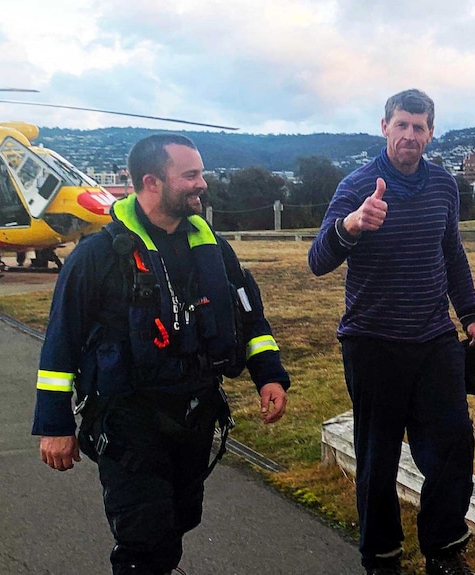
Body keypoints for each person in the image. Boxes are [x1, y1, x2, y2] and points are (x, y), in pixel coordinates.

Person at [33, 133, 290, 575]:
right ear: (151, 181)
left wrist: (269, 374)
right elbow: (61, 341)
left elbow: (248, 318)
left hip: (195, 414)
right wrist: (54, 424)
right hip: (129, 420)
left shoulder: (214, 250)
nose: (202, 183)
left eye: (201, 173)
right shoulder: (97, 257)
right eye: (190, 175)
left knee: (179, 521)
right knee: (144, 540)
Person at [308, 89, 475, 575]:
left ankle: (445, 550)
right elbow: (318, 260)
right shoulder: (358, 185)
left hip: (433, 339)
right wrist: (352, 224)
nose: (410, 135)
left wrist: (470, 316)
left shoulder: (444, 186)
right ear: (384, 126)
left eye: (419, 126)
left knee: (453, 444)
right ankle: (382, 557)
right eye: (401, 125)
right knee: (378, 457)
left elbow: (451, 254)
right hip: (373, 343)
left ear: (431, 132)